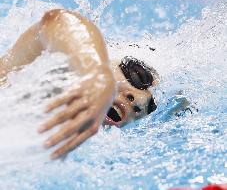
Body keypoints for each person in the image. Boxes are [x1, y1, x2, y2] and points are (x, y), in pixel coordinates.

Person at [0, 9, 158, 159]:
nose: (140, 100)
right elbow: (57, 21)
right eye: (138, 76)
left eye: (151, 107)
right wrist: (96, 72)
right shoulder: (16, 73)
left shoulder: (57, 144)